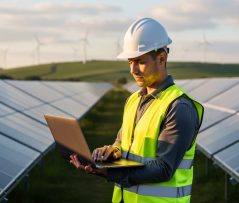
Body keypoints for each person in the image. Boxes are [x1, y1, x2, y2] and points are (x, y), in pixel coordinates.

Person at [70, 17, 204, 203]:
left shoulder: (178, 107)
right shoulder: (133, 100)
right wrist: (108, 153)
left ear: (162, 58)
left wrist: (109, 171)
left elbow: (163, 167)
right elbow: (121, 143)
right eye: (130, 62)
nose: (133, 69)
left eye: (140, 62)